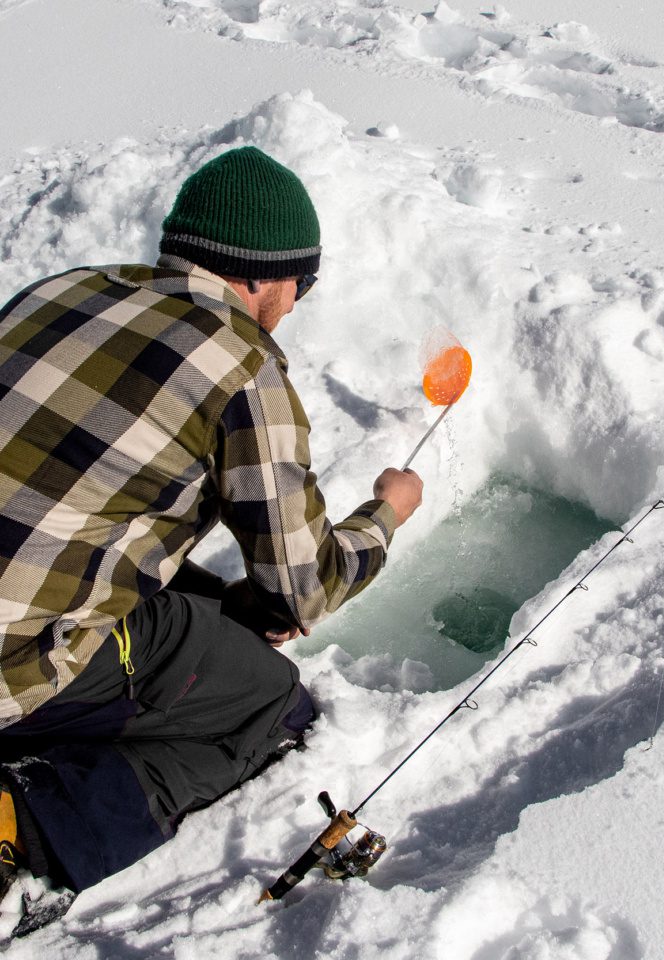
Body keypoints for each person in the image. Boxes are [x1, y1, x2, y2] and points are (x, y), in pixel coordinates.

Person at [0, 147, 423, 930]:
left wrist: (223, 596)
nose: (296, 303)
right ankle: (22, 831)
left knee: (193, 615)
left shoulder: (60, 292)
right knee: (266, 702)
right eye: (302, 283)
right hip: (15, 660)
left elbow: (73, 502)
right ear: (262, 276)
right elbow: (306, 586)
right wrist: (387, 513)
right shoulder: (243, 370)